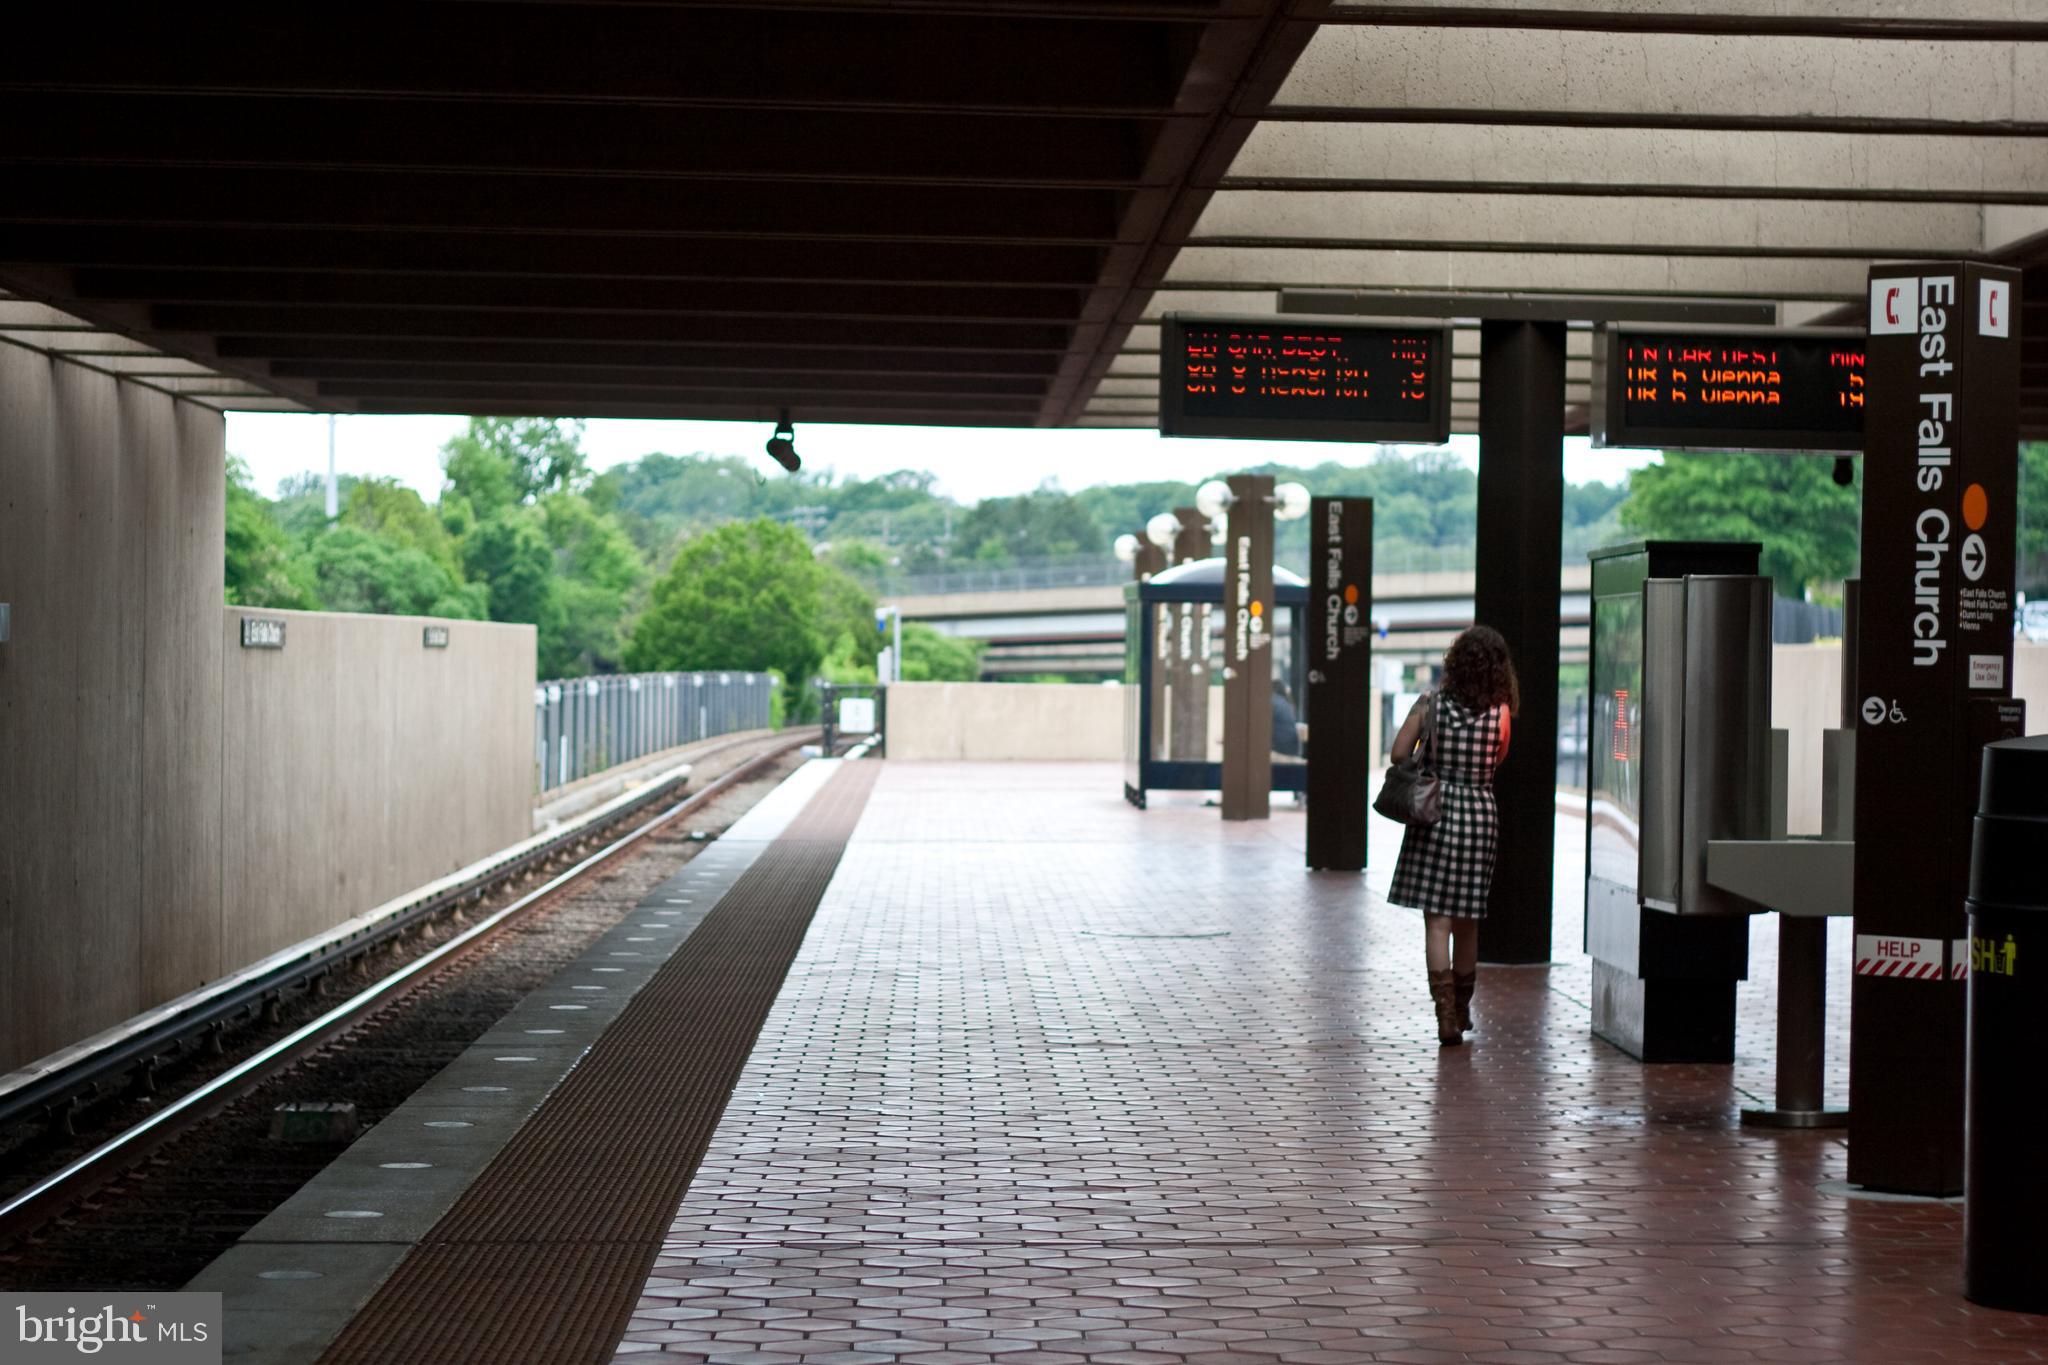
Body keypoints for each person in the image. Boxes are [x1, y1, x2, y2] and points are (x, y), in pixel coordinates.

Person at [1386, 626, 1518, 1046]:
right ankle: (1462, 1010)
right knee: (1468, 920)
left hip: (1435, 811)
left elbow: (1398, 753)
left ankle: (1443, 1014)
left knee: (1437, 921)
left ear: (1455, 663)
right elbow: (1496, 761)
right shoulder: (1501, 713)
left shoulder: (1431, 704)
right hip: (1480, 815)